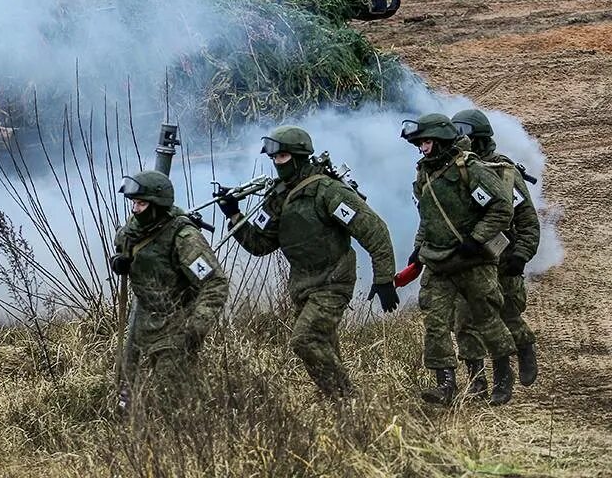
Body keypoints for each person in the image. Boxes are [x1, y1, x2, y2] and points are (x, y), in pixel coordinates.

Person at [219, 126, 398, 398]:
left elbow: (374, 231)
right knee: (323, 341)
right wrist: (234, 215)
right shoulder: (279, 197)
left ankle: (346, 397)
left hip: (333, 281)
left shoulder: (328, 192)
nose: (276, 163)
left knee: (305, 339)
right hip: (303, 285)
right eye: (274, 158)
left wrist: (384, 279)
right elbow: (260, 244)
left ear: (298, 156)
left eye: (281, 157)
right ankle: (340, 405)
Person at [401, 114, 518, 405]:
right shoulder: (423, 174)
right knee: (436, 323)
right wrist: (418, 249)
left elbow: (502, 208)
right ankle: (447, 384)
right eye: (420, 144)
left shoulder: (471, 169)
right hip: (438, 262)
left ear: (441, 139)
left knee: (487, 319)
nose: (423, 149)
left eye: (427, 142)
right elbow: (427, 217)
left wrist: (475, 239)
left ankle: (503, 376)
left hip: (473, 261)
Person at [111, 169, 229, 406]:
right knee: (128, 392)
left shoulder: (184, 238)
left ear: (157, 205)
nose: (135, 209)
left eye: (142, 204)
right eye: (134, 203)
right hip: (143, 321)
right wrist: (119, 262)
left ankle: (189, 434)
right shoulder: (134, 228)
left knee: (169, 395)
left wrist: (196, 327)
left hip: (177, 323)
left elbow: (214, 283)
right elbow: (122, 245)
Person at [452, 108, 540, 397]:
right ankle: (477, 380)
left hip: (503, 256)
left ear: (477, 139)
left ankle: (524, 348)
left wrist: (521, 255)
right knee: (465, 321)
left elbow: (527, 220)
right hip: (470, 258)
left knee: (505, 316)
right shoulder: (456, 170)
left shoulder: (503, 173)